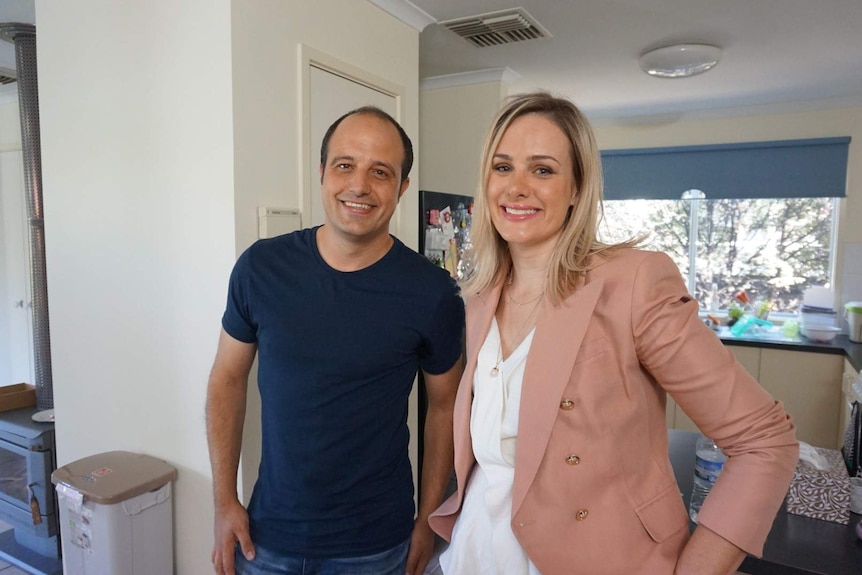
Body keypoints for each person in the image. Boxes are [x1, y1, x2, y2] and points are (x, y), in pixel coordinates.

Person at [428, 92, 798, 575]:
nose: (516, 187)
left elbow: (764, 440)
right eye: (502, 167)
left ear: (578, 188)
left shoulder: (633, 282)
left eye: (542, 170)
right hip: (476, 550)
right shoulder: (479, 295)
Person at [206, 106, 464, 575]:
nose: (359, 185)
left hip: (377, 545)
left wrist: (429, 519)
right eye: (345, 165)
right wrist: (224, 500)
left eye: (380, 172)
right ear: (322, 172)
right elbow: (226, 378)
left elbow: (445, 407)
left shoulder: (433, 292)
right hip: (265, 538)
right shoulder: (260, 269)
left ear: (402, 188)